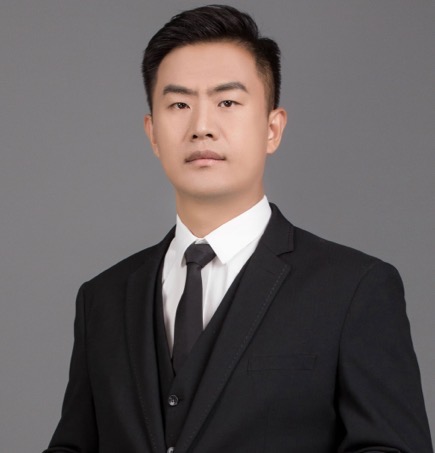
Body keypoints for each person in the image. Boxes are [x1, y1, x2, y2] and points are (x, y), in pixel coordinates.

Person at [43, 5, 433, 453]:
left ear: (272, 129)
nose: (201, 127)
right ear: (152, 133)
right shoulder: (103, 299)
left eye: (227, 102)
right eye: (179, 104)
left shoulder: (354, 289)